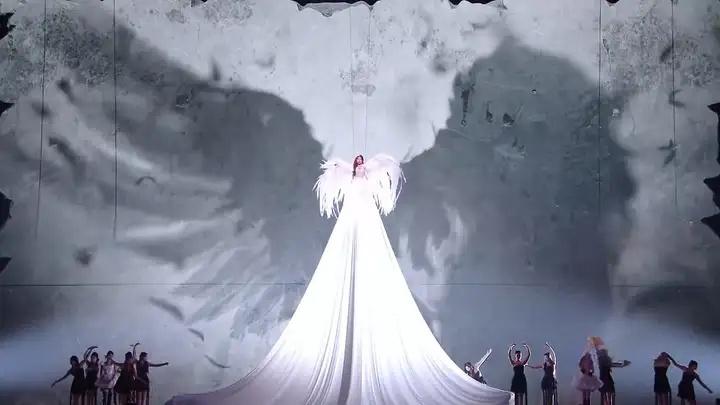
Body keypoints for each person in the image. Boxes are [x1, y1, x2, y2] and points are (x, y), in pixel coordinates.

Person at [167, 154, 512, 404]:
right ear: (353, 168)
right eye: (357, 164)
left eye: (362, 164)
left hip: (366, 229)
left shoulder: (366, 185)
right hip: (352, 227)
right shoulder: (351, 185)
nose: (360, 166)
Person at [591, 337, 631, 405]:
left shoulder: (602, 360)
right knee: (609, 394)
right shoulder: (603, 360)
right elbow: (612, 364)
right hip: (606, 380)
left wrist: (622, 364)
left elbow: (612, 364)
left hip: (604, 379)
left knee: (606, 395)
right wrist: (623, 364)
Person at [572, 340, 603, 405]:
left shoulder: (589, 360)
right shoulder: (584, 360)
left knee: (587, 391)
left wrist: (590, 371)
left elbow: (591, 367)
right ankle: (585, 402)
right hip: (585, 376)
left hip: (588, 376)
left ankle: (587, 402)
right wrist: (584, 369)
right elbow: (581, 365)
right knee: (585, 391)